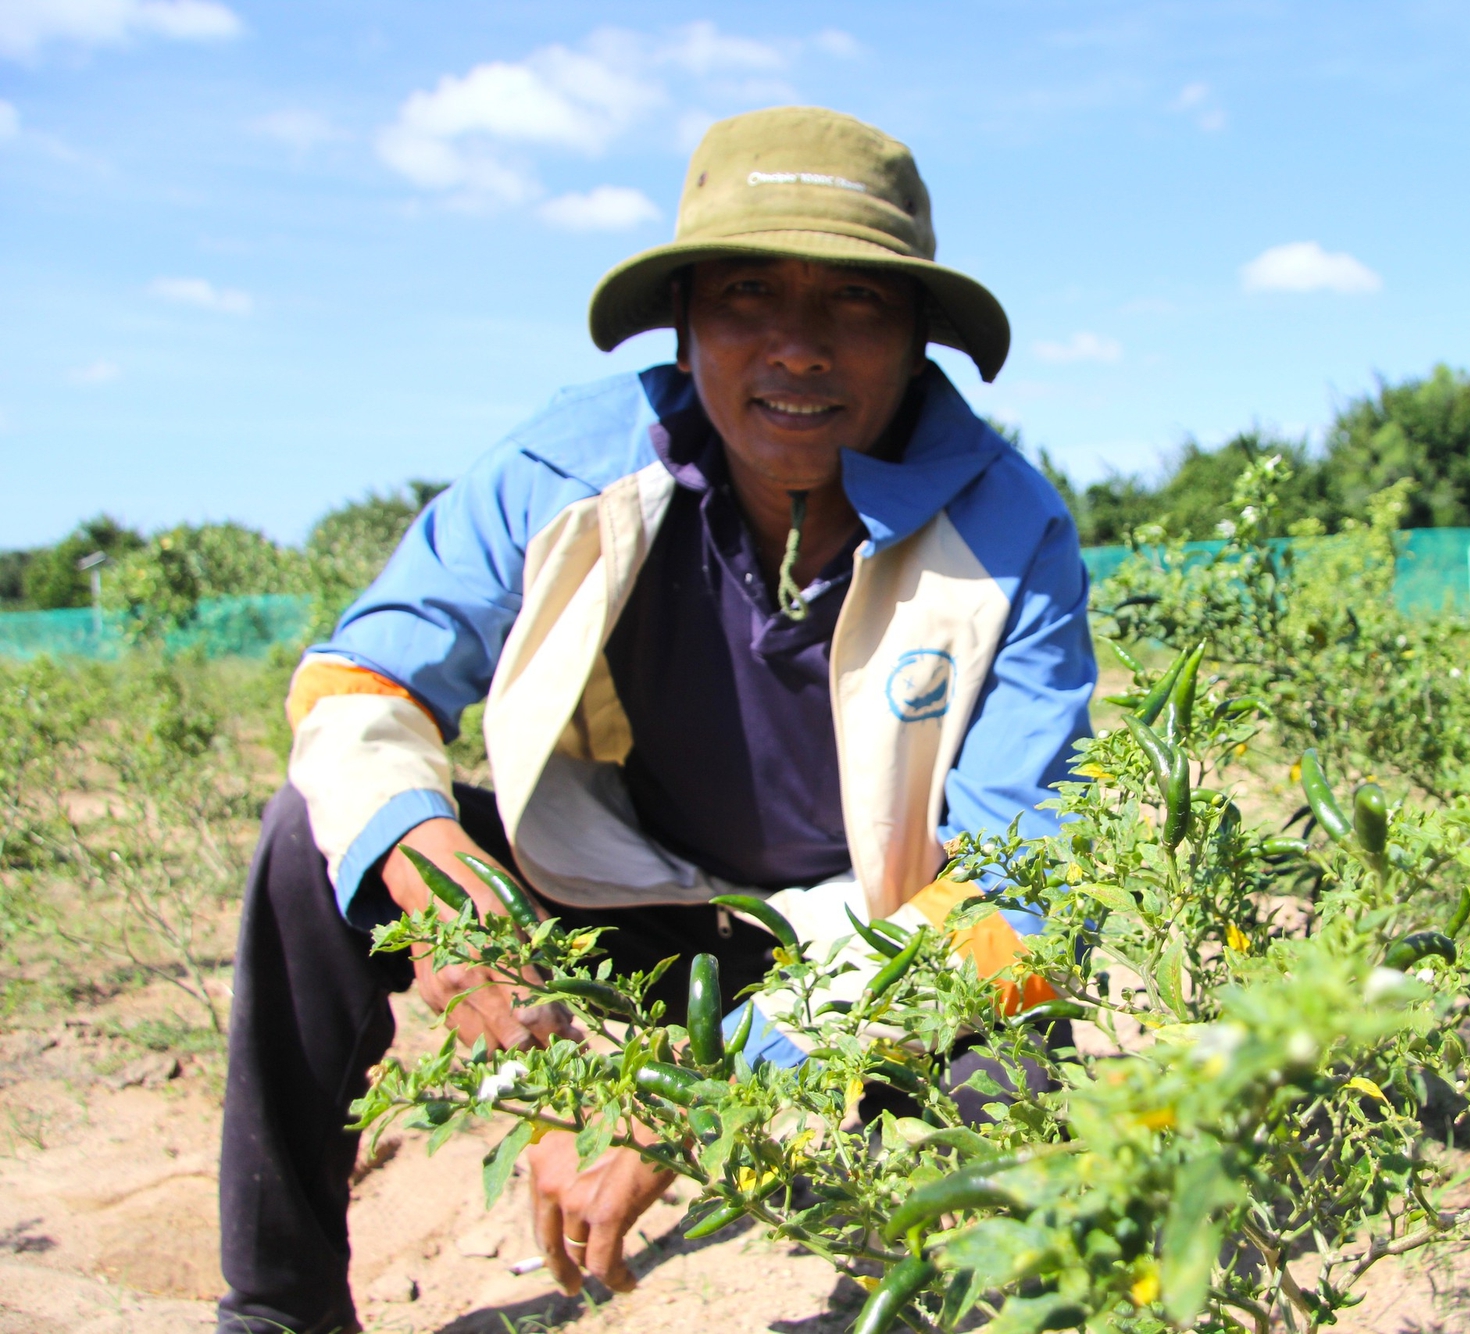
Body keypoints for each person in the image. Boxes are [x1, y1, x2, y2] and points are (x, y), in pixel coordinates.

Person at [215, 105, 1096, 1334]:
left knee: (1015, 998)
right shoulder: (566, 467)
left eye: (853, 300)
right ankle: (277, 1302)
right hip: (628, 897)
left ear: (913, 339)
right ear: (685, 327)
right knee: (311, 838)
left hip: (869, 927)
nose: (796, 347)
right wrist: (424, 860)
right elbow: (360, 683)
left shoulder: (1011, 532)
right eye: (746, 293)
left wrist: (700, 1085)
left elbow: (1024, 875)